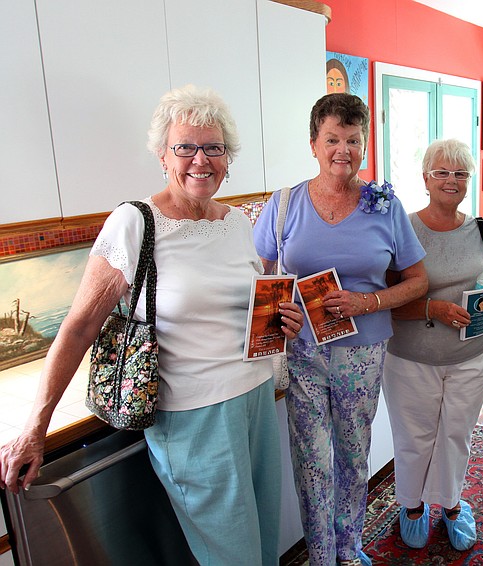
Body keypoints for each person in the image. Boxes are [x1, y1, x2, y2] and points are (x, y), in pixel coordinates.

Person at [0, 84, 304, 566]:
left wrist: (278, 321)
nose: (200, 160)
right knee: (233, 557)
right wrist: (34, 427)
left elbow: (238, 306)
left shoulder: (237, 222)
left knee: (264, 544)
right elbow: (78, 326)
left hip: (256, 397)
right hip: (194, 415)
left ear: (228, 158)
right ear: (162, 155)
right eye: (185, 147)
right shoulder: (135, 222)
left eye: (213, 148)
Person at [253, 92, 428, 566]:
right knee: (311, 461)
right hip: (303, 355)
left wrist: (366, 300)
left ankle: (349, 548)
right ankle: (321, 556)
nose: (342, 151)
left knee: (353, 455)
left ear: (365, 145)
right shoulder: (284, 204)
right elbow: (263, 277)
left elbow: (418, 281)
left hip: (363, 354)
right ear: (313, 143)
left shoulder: (384, 207)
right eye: (332, 139)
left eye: (353, 140)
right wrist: (279, 317)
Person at [382, 139, 483, 551]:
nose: (451, 181)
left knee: (457, 433)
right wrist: (432, 307)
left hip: (471, 355)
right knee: (414, 436)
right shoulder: (402, 230)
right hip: (411, 358)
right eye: (442, 172)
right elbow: (383, 303)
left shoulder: (481, 229)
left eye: (460, 173)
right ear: (425, 179)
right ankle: (412, 506)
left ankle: (451, 504)